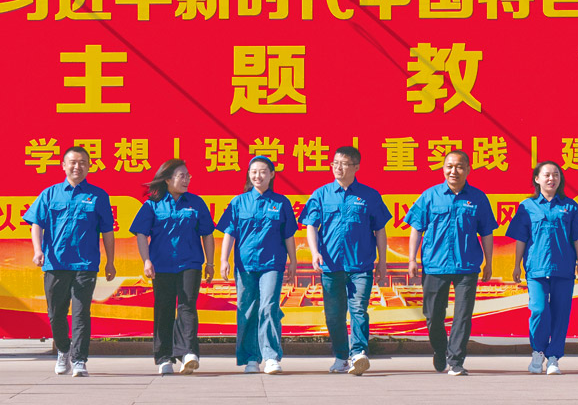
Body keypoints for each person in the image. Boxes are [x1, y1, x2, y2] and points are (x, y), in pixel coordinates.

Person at [23, 146, 116, 377]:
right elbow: (36, 224)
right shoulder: (50, 194)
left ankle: (79, 360)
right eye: (73, 162)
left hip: (85, 264)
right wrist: (38, 250)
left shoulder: (98, 196)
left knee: (81, 313)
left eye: (82, 162)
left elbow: (107, 231)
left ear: (89, 166)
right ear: (63, 165)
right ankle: (63, 350)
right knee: (55, 313)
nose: (77, 167)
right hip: (55, 263)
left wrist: (110, 262)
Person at [300, 146, 391, 376]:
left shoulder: (370, 195)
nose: (337, 167)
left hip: (360, 265)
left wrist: (382, 261)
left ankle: (358, 353)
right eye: (335, 163)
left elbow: (380, 230)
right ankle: (341, 357)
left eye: (343, 163)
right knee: (334, 314)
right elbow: (311, 225)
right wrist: (314, 252)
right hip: (331, 265)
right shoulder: (321, 194)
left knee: (358, 309)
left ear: (356, 167)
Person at [404, 150, 497, 376]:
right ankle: (440, 349)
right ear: (443, 168)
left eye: (459, 166)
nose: (453, 171)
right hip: (435, 265)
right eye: (449, 166)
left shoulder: (478, 198)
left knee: (463, 315)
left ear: (468, 170)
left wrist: (489, 263)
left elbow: (486, 232)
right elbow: (416, 228)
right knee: (433, 315)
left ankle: (456, 361)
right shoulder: (430, 196)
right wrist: (412, 259)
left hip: (467, 265)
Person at [130, 159, 215, 375]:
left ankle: (188, 353)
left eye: (188, 176)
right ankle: (164, 357)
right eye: (181, 176)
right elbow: (141, 233)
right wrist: (146, 260)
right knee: (164, 309)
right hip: (162, 265)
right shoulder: (152, 204)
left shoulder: (196, 203)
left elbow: (207, 234)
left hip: (190, 263)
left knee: (187, 306)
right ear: (167, 179)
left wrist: (210, 262)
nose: (186, 180)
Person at [506, 161, 578, 375]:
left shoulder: (570, 206)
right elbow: (521, 238)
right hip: (536, 268)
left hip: (564, 267)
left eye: (556, 175)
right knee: (539, 310)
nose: (551, 179)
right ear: (537, 179)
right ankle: (538, 352)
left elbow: (577, 238)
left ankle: (553, 358)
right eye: (547, 175)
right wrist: (516, 265)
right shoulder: (527, 206)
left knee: (561, 313)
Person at [217, 156, 298, 375]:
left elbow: (288, 235)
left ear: (272, 174)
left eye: (262, 171)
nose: (257, 176)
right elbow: (229, 232)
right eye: (253, 172)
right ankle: (251, 358)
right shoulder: (238, 202)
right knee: (247, 309)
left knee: (269, 306)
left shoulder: (281, 202)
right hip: (245, 264)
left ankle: (271, 356)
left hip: (272, 263)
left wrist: (293, 260)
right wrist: (223, 259)